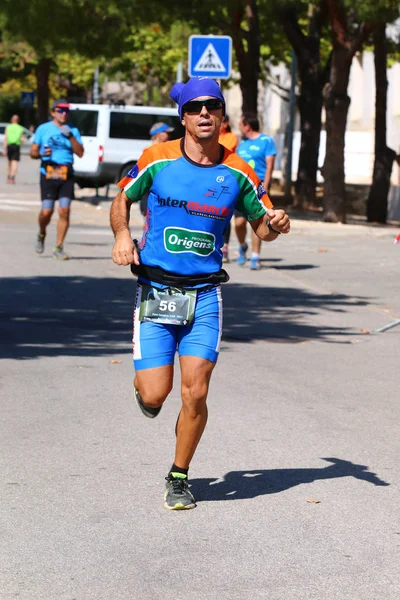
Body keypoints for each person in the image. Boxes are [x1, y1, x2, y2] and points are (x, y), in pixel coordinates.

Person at [110, 77, 290, 511]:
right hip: (155, 289)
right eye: (196, 108)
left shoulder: (238, 171)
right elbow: (122, 198)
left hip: (205, 295)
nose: (205, 113)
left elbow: (262, 223)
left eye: (213, 106)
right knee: (156, 394)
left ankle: (178, 475)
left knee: (196, 393)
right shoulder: (157, 158)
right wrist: (122, 235)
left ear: (222, 115)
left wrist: (275, 227)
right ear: (184, 117)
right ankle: (147, 391)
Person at [30, 99, 84, 260]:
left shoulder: (73, 130)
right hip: (48, 173)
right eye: (60, 110)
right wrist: (41, 153)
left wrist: (71, 137)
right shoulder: (43, 129)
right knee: (47, 211)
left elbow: (80, 152)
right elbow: (32, 152)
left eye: (66, 111)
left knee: (64, 210)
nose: (64, 113)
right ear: (53, 112)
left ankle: (59, 246)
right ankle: (41, 233)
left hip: (66, 173)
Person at [235, 113, 277, 270]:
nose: (239, 127)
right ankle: (242, 246)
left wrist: (265, 185)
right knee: (239, 223)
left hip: (258, 188)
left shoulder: (266, 141)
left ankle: (255, 256)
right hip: (241, 188)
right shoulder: (242, 143)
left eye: (240, 124)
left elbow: (269, 165)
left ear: (247, 126)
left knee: (257, 221)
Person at [139, 122, 174, 220]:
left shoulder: (166, 150)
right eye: (167, 133)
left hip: (164, 192)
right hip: (150, 192)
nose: (169, 136)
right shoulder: (149, 151)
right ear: (159, 134)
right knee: (148, 223)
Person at [218, 115, 239, 262]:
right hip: (211, 177)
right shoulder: (212, 136)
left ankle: (225, 246)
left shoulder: (231, 137)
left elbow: (225, 152)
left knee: (225, 214)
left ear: (226, 123)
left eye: (222, 121)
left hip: (226, 177)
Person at [2, 115, 25, 184]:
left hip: (9, 145)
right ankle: (12, 177)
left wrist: (4, 149)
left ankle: (8, 176)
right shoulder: (20, 128)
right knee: (15, 162)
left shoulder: (8, 127)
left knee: (9, 162)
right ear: (18, 120)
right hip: (16, 146)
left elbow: (5, 138)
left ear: (11, 120)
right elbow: (22, 140)